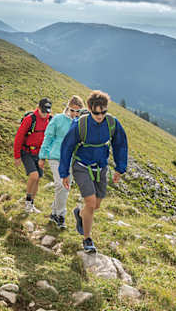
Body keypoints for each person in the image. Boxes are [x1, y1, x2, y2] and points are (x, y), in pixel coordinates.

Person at [59, 90, 128, 254]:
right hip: (81, 166)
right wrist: (64, 172)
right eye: (97, 112)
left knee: (96, 205)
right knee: (90, 202)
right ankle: (87, 239)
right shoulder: (80, 124)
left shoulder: (112, 123)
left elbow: (120, 145)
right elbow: (67, 147)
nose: (100, 115)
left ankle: (80, 214)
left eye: (103, 112)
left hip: (101, 167)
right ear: (90, 108)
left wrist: (120, 168)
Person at [38, 95, 87, 229]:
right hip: (55, 157)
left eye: (78, 111)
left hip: (71, 160)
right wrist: (42, 156)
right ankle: (60, 215)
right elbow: (48, 137)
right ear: (67, 107)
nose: (75, 114)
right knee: (61, 185)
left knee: (64, 188)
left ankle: (54, 213)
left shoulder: (80, 123)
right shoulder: (58, 119)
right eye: (72, 110)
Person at [14, 97, 52, 213]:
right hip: (27, 152)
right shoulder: (30, 119)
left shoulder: (50, 120)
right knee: (34, 176)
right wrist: (17, 156)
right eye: (43, 111)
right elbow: (19, 138)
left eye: (47, 112)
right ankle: (27, 202)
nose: (45, 114)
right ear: (38, 108)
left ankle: (31, 205)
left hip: (40, 154)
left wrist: (44, 157)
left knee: (38, 179)